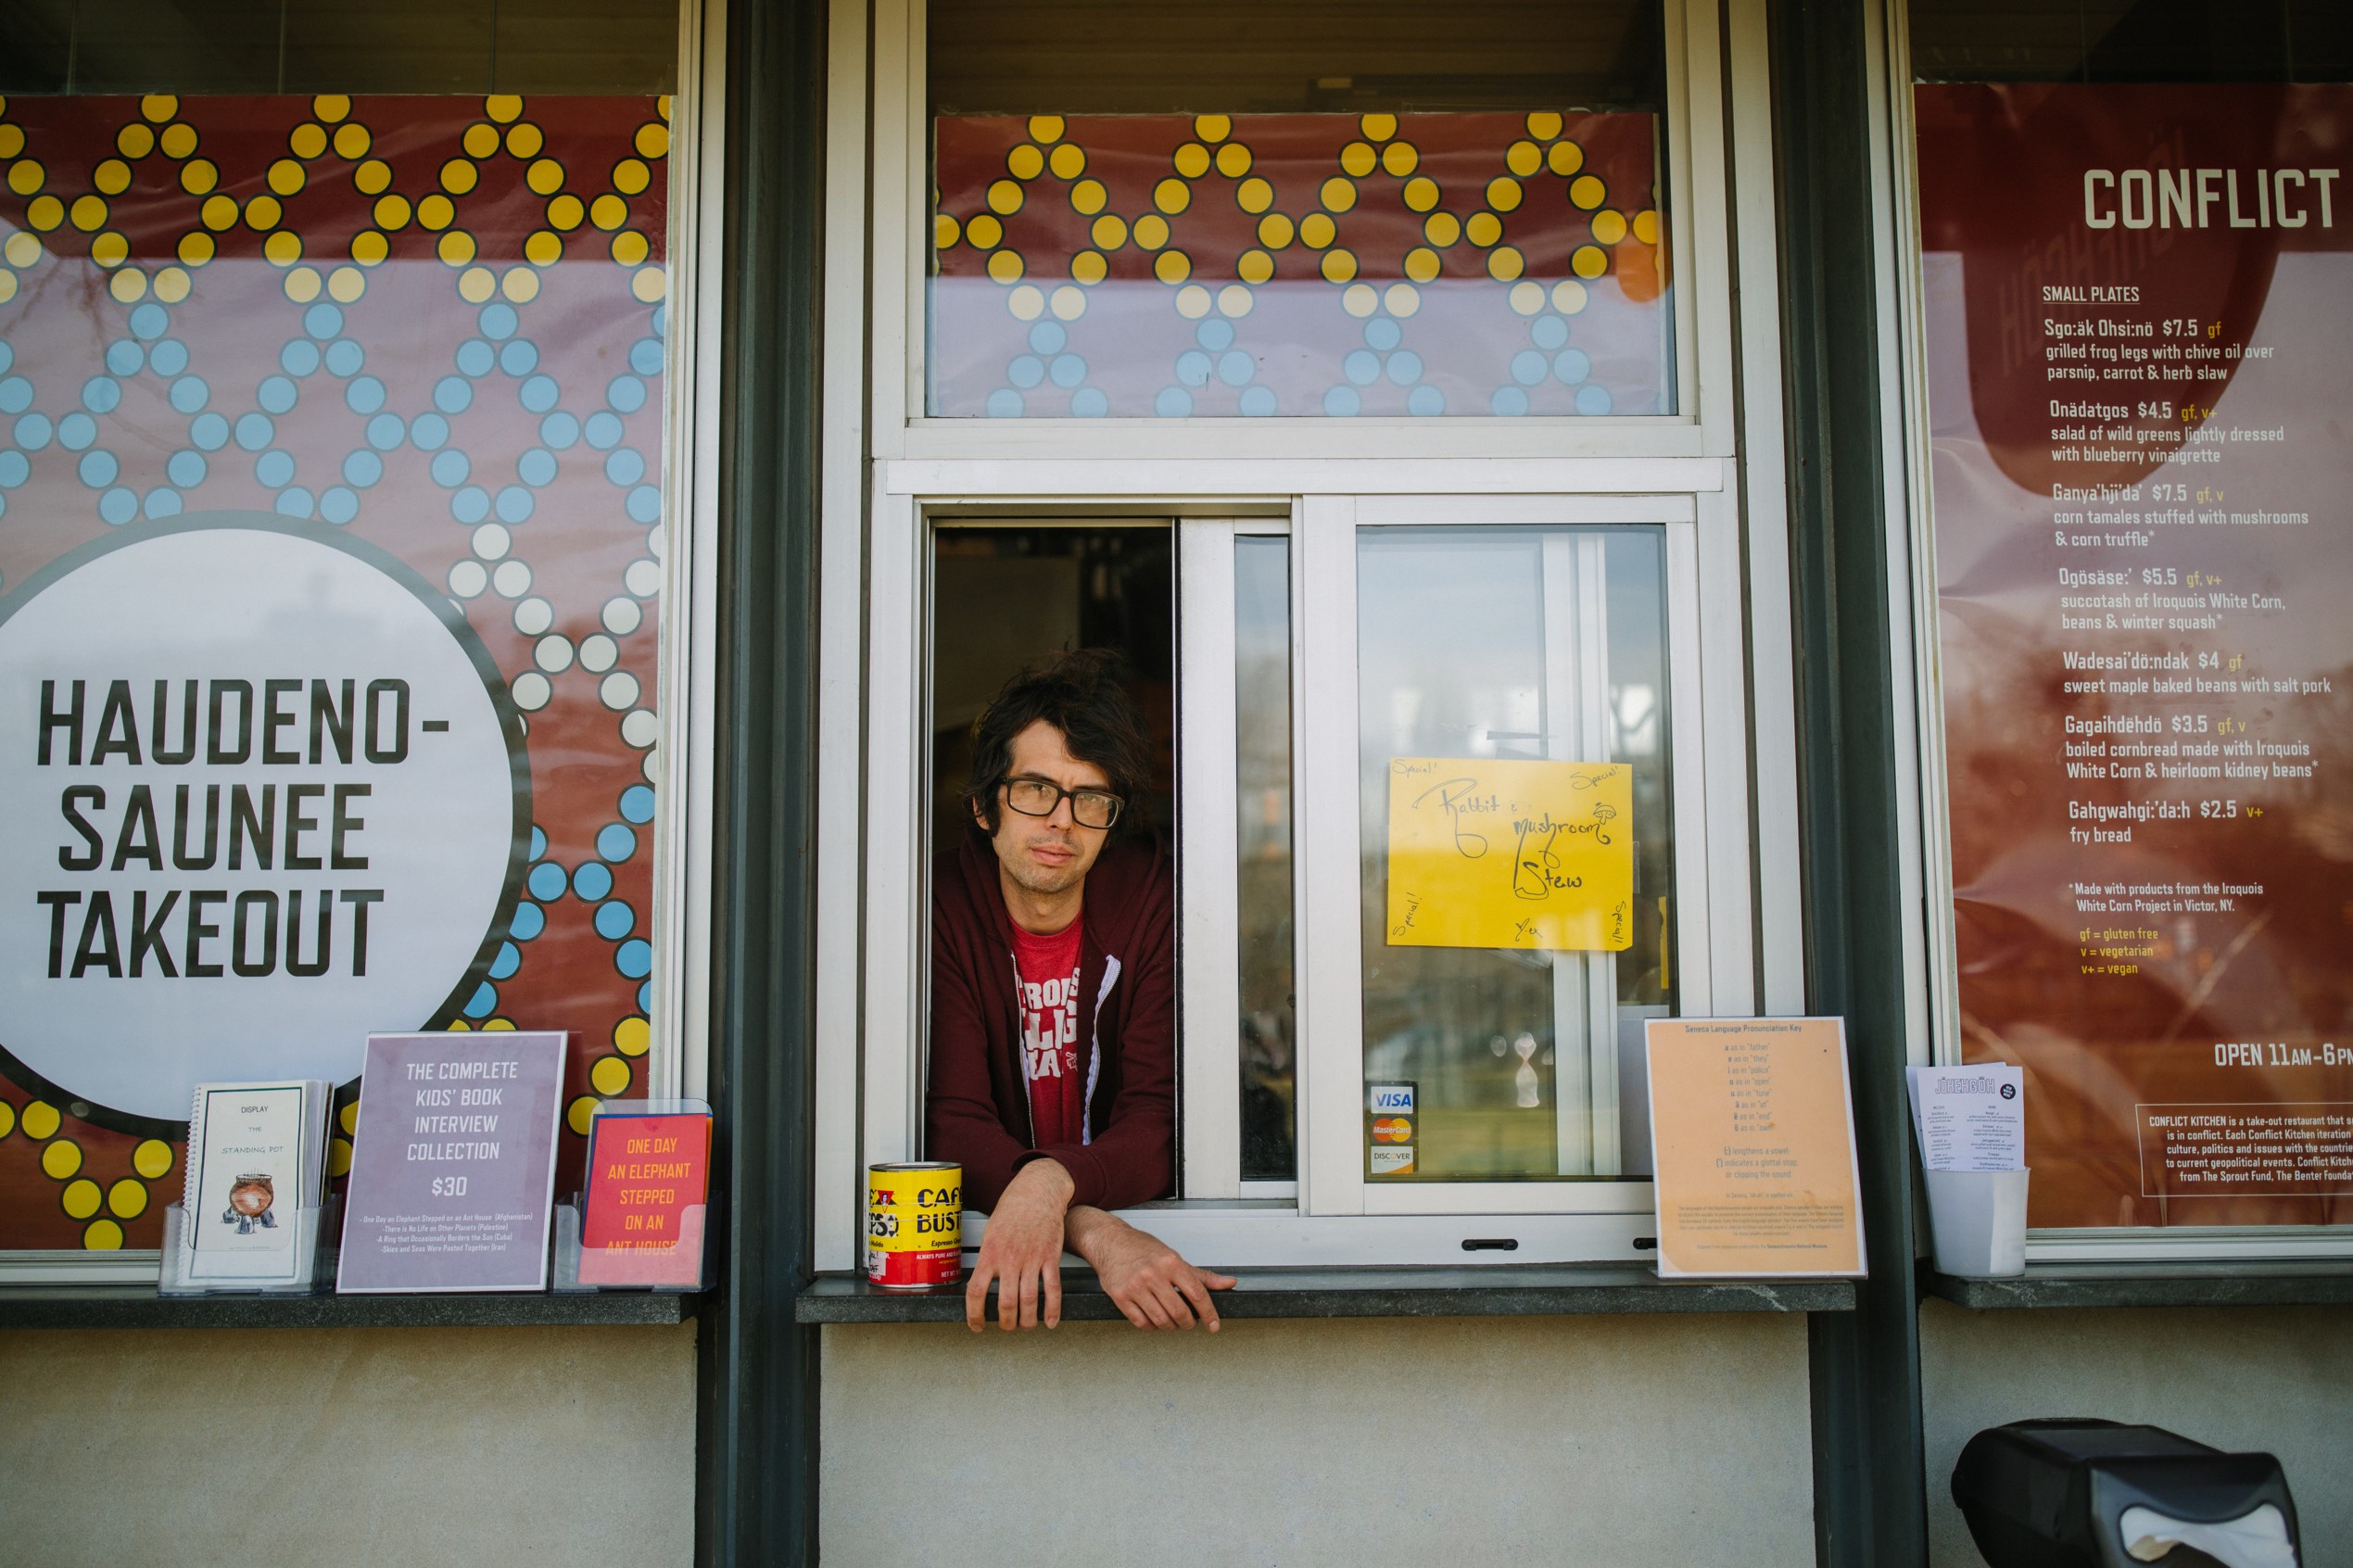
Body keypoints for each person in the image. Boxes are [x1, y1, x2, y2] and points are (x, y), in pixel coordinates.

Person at [929, 649, 1235, 1334]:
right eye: (1035, 790)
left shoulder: (1156, 906)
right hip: (1040, 1238)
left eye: (1089, 799)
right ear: (984, 807)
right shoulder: (937, 905)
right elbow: (951, 1123)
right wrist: (1090, 1228)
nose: (1062, 820)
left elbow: (1159, 1123)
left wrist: (1048, 1186)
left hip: (1147, 1223)